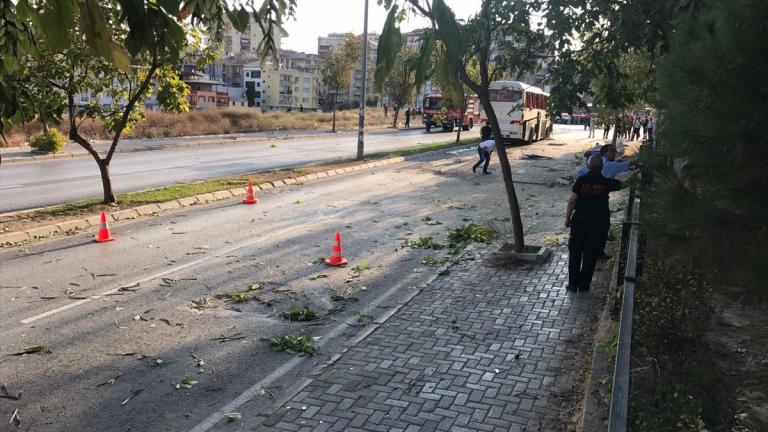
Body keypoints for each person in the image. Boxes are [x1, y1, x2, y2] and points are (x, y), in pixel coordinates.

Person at [565, 155, 628, 292]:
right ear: (601, 167)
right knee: (590, 254)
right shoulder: (606, 182)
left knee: (575, 253)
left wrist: (567, 218)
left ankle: (573, 284)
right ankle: (584, 285)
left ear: (588, 166)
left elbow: (572, 200)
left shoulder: (581, 180)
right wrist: (635, 174)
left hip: (579, 221)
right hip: (598, 223)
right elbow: (623, 184)